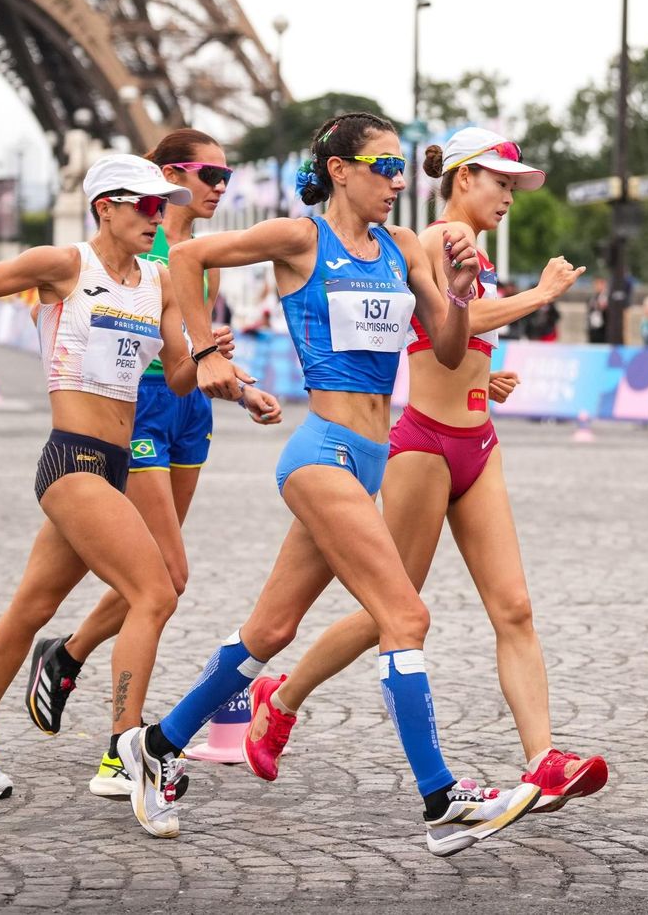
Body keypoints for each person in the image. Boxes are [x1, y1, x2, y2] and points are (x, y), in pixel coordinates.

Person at [119, 112, 542, 857]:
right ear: (340, 169)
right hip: (321, 454)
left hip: (372, 457)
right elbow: (184, 261)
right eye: (383, 168)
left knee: (272, 631)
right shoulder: (298, 238)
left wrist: (465, 293)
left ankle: (157, 743)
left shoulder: (403, 245)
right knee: (405, 617)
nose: (397, 183)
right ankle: (441, 797)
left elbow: (445, 349)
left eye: (403, 170)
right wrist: (202, 351)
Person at [244, 128, 606, 812]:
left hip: (480, 443)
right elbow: (449, 328)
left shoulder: (476, 253)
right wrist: (541, 294)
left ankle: (544, 759)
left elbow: (454, 342)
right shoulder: (432, 240)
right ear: (463, 178)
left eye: (514, 186)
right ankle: (281, 696)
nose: (508, 197)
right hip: (423, 447)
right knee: (394, 607)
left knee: (515, 607)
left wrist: (485, 378)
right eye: (500, 183)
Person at [0, 154, 202, 840]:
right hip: (71, 460)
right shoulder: (65, 264)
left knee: (33, 608)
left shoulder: (158, 282)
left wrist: (223, 370)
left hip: (114, 462)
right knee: (156, 591)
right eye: (142, 205)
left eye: (161, 206)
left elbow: (177, 375)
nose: (156, 217)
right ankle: (130, 751)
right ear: (104, 206)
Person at [21, 131, 283, 799]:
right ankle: (121, 745)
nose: (220, 185)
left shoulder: (202, 257)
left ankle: (69, 654)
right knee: (166, 577)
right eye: (207, 173)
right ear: (163, 178)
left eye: (228, 173)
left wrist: (244, 388)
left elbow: (196, 352)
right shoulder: (143, 243)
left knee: (162, 577)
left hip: (188, 411)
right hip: (133, 415)